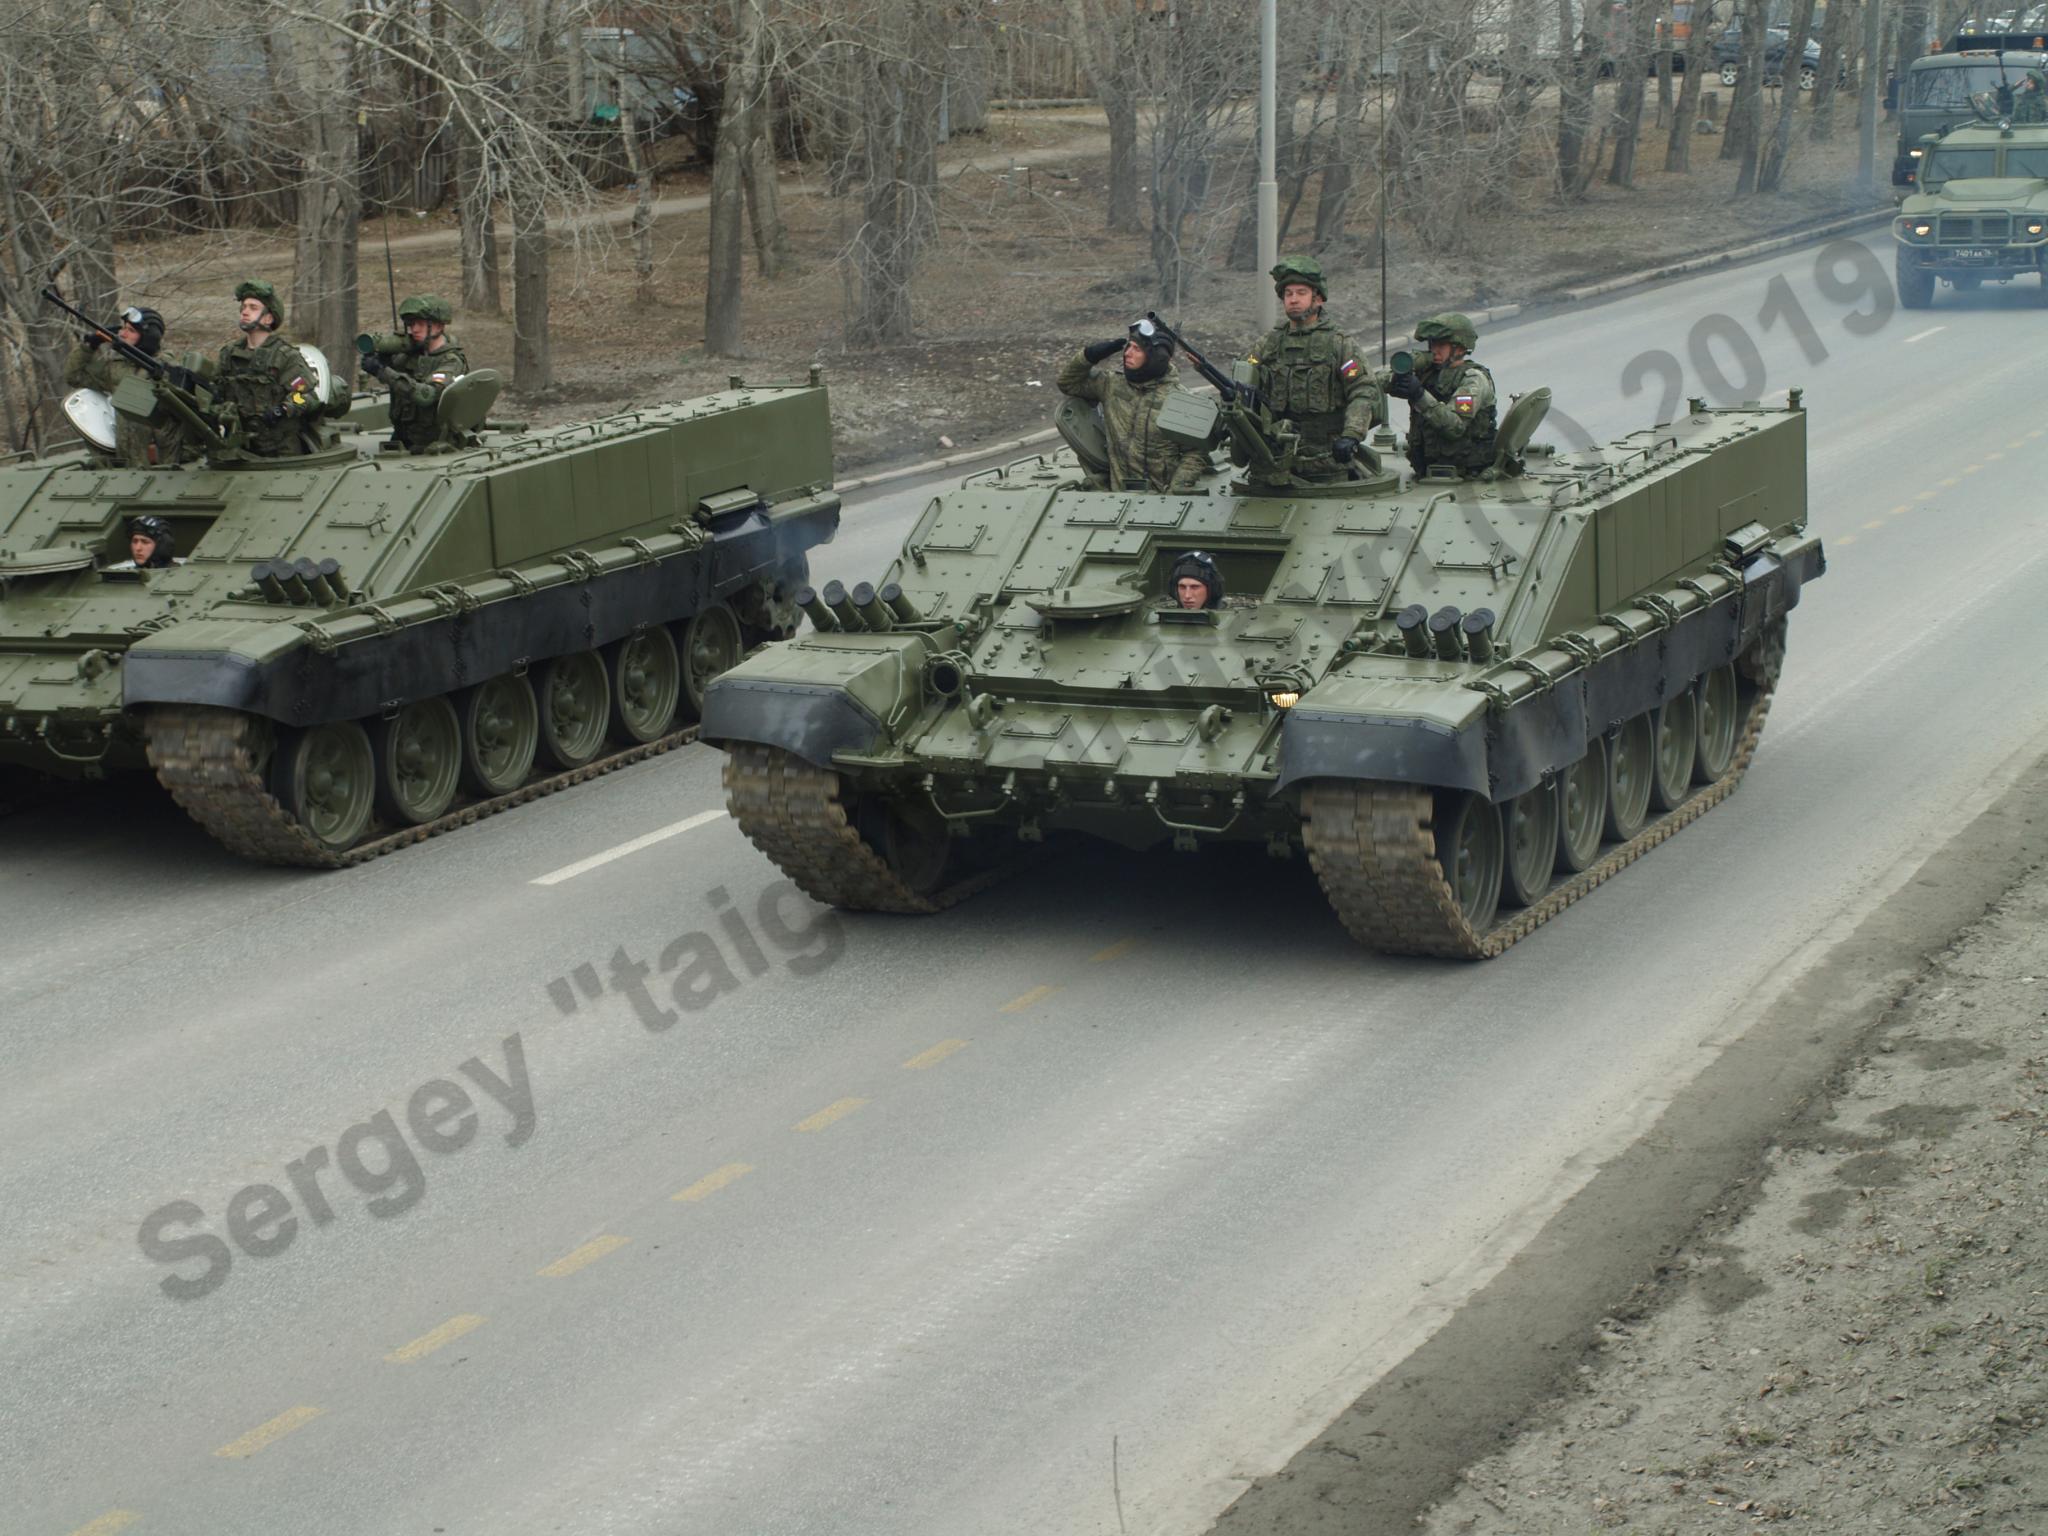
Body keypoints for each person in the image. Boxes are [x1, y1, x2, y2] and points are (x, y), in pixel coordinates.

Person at [1242, 256, 1381, 482]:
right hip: (1274, 460)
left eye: (1301, 293)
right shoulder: (1267, 345)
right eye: (1288, 294)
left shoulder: (1339, 344)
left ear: (1318, 299)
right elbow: (1243, 380)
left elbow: (1363, 391)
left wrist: (1352, 435)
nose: (1293, 300)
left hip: (1326, 462)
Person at [1056, 324, 1209, 493]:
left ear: (1155, 356)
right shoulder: (1111, 384)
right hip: (1119, 496)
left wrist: (1177, 488)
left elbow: (1195, 452)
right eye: (1128, 346)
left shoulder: (1181, 400)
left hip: (1162, 499)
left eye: (1137, 349)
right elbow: (1068, 384)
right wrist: (1088, 356)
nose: (1127, 353)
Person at [63, 305, 187, 467]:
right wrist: (89, 346)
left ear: (148, 337)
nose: (122, 333)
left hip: (165, 464)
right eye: (123, 328)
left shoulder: (168, 369)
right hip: (129, 463)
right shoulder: (118, 367)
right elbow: (75, 376)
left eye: (131, 330)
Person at [216, 279, 321, 457]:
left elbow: (306, 396)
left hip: (282, 450)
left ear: (268, 318)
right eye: (243, 307)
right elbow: (215, 392)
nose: (245, 312)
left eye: (253, 308)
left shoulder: (285, 357)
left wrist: (284, 408)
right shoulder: (229, 355)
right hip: (241, 449)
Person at [1389, 313, 1497, 478]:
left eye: (1441, 345)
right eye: (1432, 344)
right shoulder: (1428, 372)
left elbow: (1455, 427)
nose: (1434, 351)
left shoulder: (1473, 379)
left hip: (1465, 475)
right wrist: (1397, 375)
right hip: (1426, 473)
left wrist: (1419, 395)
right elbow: (1376, 381)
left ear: (1459, 348)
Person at [363, 294, 469, 452]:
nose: (414, 329)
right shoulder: (409, 356)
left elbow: (426, 395)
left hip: (436, 445)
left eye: (420, 324)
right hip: (403, 440)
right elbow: (396, 378)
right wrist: (382, 362)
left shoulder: (451, 361)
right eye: (411, 324)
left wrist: (382, 371)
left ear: (438, 326)